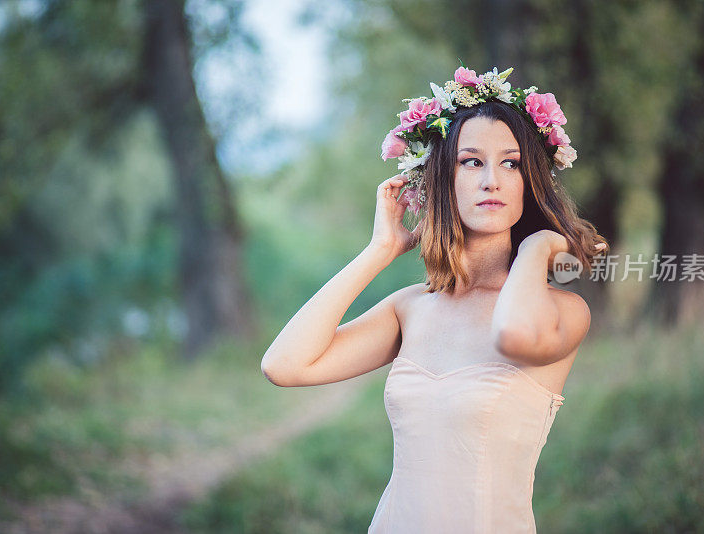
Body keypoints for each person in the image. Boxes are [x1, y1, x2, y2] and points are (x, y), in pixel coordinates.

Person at [261, 64, 609, 533]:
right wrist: (378, 251)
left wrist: (537, 246)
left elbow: (512, 335)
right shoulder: (411, 308)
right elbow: (284, 366)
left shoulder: (564, 311)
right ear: (442, 179)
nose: (493, 180)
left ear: (530, 182)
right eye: (471, 161)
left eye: (511, 163)